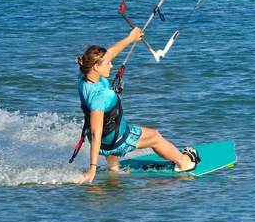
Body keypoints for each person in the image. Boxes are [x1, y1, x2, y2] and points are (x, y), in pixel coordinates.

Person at [75, 27, 199, 184]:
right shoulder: (99, 96)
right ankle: (185, 163)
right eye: (108, 64)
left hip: (104, 143)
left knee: (110, 126)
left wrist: (130, 38)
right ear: (96, 67)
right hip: (117, 141)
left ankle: (114, 170)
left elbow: (110, 53)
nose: (111, 66)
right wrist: (92, 167)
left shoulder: (83, 78)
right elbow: (96, 133)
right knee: (155, 137)